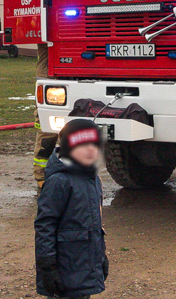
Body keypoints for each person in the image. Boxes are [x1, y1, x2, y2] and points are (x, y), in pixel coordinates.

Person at [35, 119, 108, 298]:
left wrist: (101, 257)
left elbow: (93, 224)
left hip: (85, 267)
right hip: (64, 269)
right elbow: (45, 226)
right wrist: (47, 266)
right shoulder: (59, 181)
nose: (91, 150)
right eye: (84, 145)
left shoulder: (92, 179)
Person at [33, 43, 58, 191]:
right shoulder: (45, 28)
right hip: (48, 78)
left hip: (68, 73)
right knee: (46, 131)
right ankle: (41, 175)